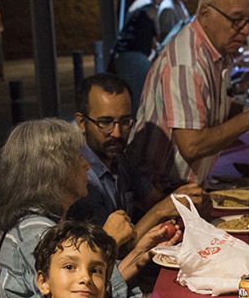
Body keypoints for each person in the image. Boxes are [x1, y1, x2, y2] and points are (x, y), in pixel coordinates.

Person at [0, 117, 174, 298]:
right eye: (77, 157)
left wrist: (140, 254)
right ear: (53, 169)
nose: (86, 164)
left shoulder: (49, 223)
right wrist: (107, 242)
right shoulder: (37, 234)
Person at [131, 0, 249, 188]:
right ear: (204, 14)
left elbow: (207, 106)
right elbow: (191, 145)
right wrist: (248, 120)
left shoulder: (212, 49)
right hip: (157, 193)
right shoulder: (187, 62)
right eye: (236, 19)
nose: (246, 29)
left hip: (183, 188)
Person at [71, 73, 194, 244]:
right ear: (82, 122)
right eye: (105, 122)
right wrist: (160, 211)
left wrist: (185, 197)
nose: (117, 133)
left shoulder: (118, 157)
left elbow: (151, 198)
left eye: (125, 121)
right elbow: (108, 250)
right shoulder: (78, 177)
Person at [111, 0, 171, 100]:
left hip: (122, 56)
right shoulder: (151, 8)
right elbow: (157, 38)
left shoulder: (139, 2)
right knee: (141, 99)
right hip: (135, 59)